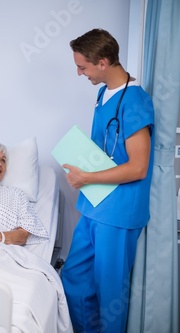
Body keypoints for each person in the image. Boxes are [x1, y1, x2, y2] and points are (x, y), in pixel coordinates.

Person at [60, 29, 154, 333]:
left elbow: (138, 167)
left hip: (118, 211)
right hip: (93, 202)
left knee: (109, 292)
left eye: (83, 67)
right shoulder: (103, 93)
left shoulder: (135, 100)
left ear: (102, 62)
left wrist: (87, 175)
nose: (78, 73)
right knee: (74, 278)